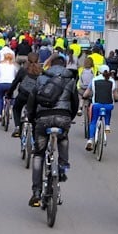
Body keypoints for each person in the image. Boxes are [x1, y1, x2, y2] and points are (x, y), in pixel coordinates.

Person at [26, 53, 79, 207]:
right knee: (63, 138)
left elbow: (32, 101)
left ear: (50, 64)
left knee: (38, 154)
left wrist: (32, 118)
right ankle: (62, 167)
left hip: (42, 119)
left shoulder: (41, 78)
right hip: (63, 118)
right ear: (64, 66)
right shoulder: (70, 79)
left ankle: (36, 192)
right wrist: (70, 117)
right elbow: (75, 102)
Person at [7, 56, 42, 137]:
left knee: (16, 108)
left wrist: (9, 94)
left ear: (27, 60)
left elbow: (15, 83)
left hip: (23, 95)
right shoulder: (41, 71)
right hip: (35, 98)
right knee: (34, 113)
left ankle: (17, 127)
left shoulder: (23, 70)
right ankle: (34, 131)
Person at [86, 65, 118, 151]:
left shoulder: (94, 79)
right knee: (108, 110)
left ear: (99, 71)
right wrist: (116, 99)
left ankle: (90, 139)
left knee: (93, 121)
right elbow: (115, 94)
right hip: (109, 106)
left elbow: (87, 92)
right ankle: (107, 125)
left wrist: (84, 96)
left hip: (96, 105)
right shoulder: (112, 81)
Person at [0, 50, 18, 122]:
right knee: (11, 96)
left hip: (2, 84)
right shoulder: (13, 66)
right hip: (11, 84)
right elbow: (17, 75)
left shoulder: (0, 65)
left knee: (0, 98)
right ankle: (10, 108)